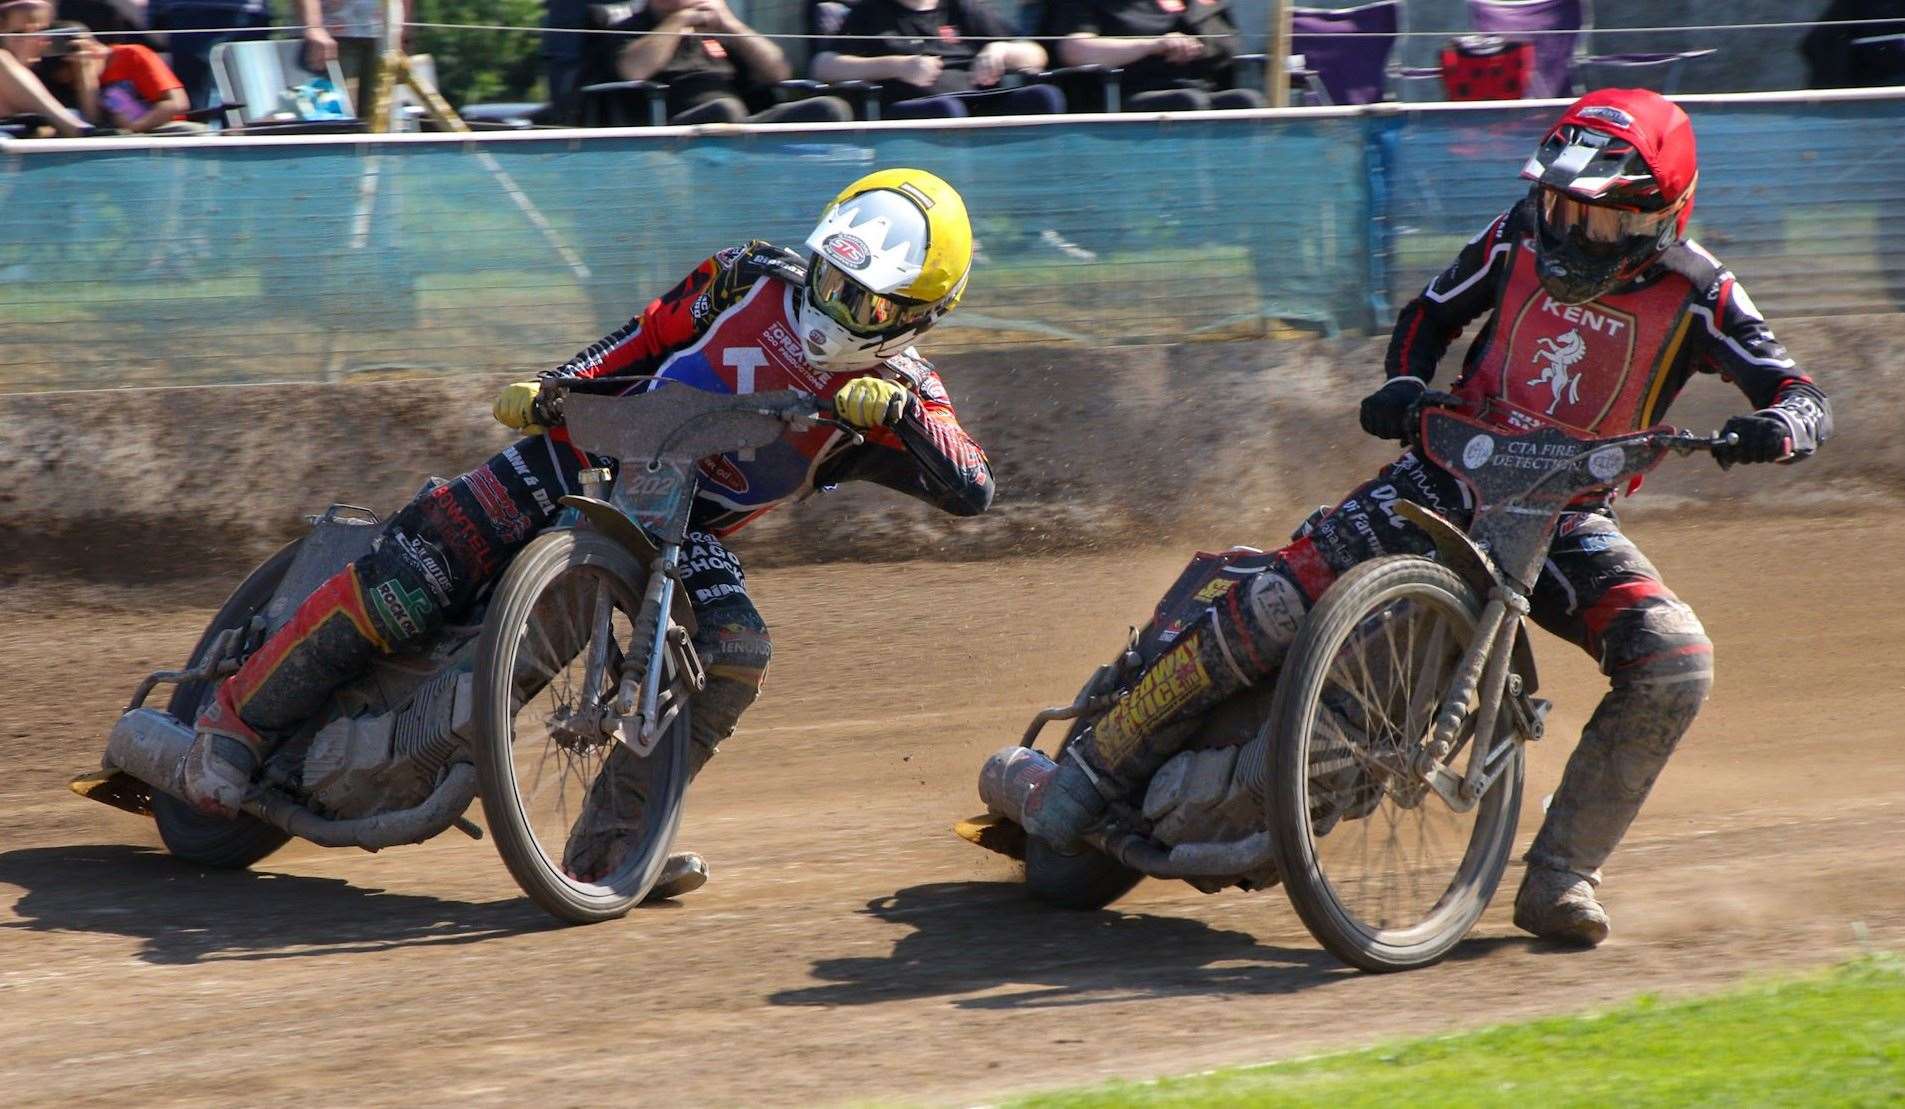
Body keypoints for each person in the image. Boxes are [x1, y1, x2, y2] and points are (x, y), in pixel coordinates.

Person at [1022, 89, 1833, 946]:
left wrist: (1776, 427)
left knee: (1675, 661)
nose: (1566, 232)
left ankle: (1561, 874)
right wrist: (1406, 382)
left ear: (1659, 218)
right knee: (1267, 604)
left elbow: (1801, 393)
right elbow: (1427, 314)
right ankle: (1088, 769)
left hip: (1563, 520)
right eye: (1558, 206)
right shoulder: (1514, 235)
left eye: (1595, 221)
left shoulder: (1701, 291)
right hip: (1443, 471)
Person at [180, 168, 994, 895]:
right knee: (415, 573)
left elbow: (972, 486)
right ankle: (233, 721)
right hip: (587, 451)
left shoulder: (905, 389)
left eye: (862, 298)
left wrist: (897, 417)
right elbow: (641, 338)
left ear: (920, 315)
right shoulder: (744, 275)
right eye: (826, 273)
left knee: (736, 653)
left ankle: (612, 854)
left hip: (680, 530)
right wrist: (556, 385)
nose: (830, 300)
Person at [809, 0, 1063, 120]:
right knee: (947, 111)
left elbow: (1037, 55)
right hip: (916, 110)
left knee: (1044, 96)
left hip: (980, 102)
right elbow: (823, 65)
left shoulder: (963, 8)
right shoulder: (870, 12)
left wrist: (1000, 52)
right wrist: (898, 66)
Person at [613, 0, 853, 125]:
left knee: (831, 108)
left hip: (745, 126)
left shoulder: (717, 29)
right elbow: (633, 69)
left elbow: (780, 72)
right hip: (675, 132)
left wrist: (730, 24)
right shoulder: (631, 28)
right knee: (725, 109)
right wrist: (680, 19)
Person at [1043, 0, 1264, 112]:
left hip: (1201, 88)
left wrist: (1199, 45)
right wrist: (1152, 46)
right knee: (1187, 103)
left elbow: (1230, 45)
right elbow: (1074, 49)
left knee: (1246, 101)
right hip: (1125, 95)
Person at [38, 21, 198, 133]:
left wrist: (135, 129)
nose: (72, 82)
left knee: (192, 130)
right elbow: (93, 122)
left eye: (72, 76)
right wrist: (86, 80)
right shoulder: (84, 80)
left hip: (162, 128)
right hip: (114, 135)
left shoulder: (132, 55)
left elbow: (177, 103)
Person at [145, 0, 270, 109]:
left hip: (245, 16)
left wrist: (153, 15)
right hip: (188, 13)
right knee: (198, 105)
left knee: (251, 102)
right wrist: (154, 15)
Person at [0, 0, 90, 134]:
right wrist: (20, 62)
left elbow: (94, 121)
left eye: (43, 31)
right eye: (20, 33)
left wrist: (87, 77)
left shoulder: (58, 67)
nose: (34, 39)